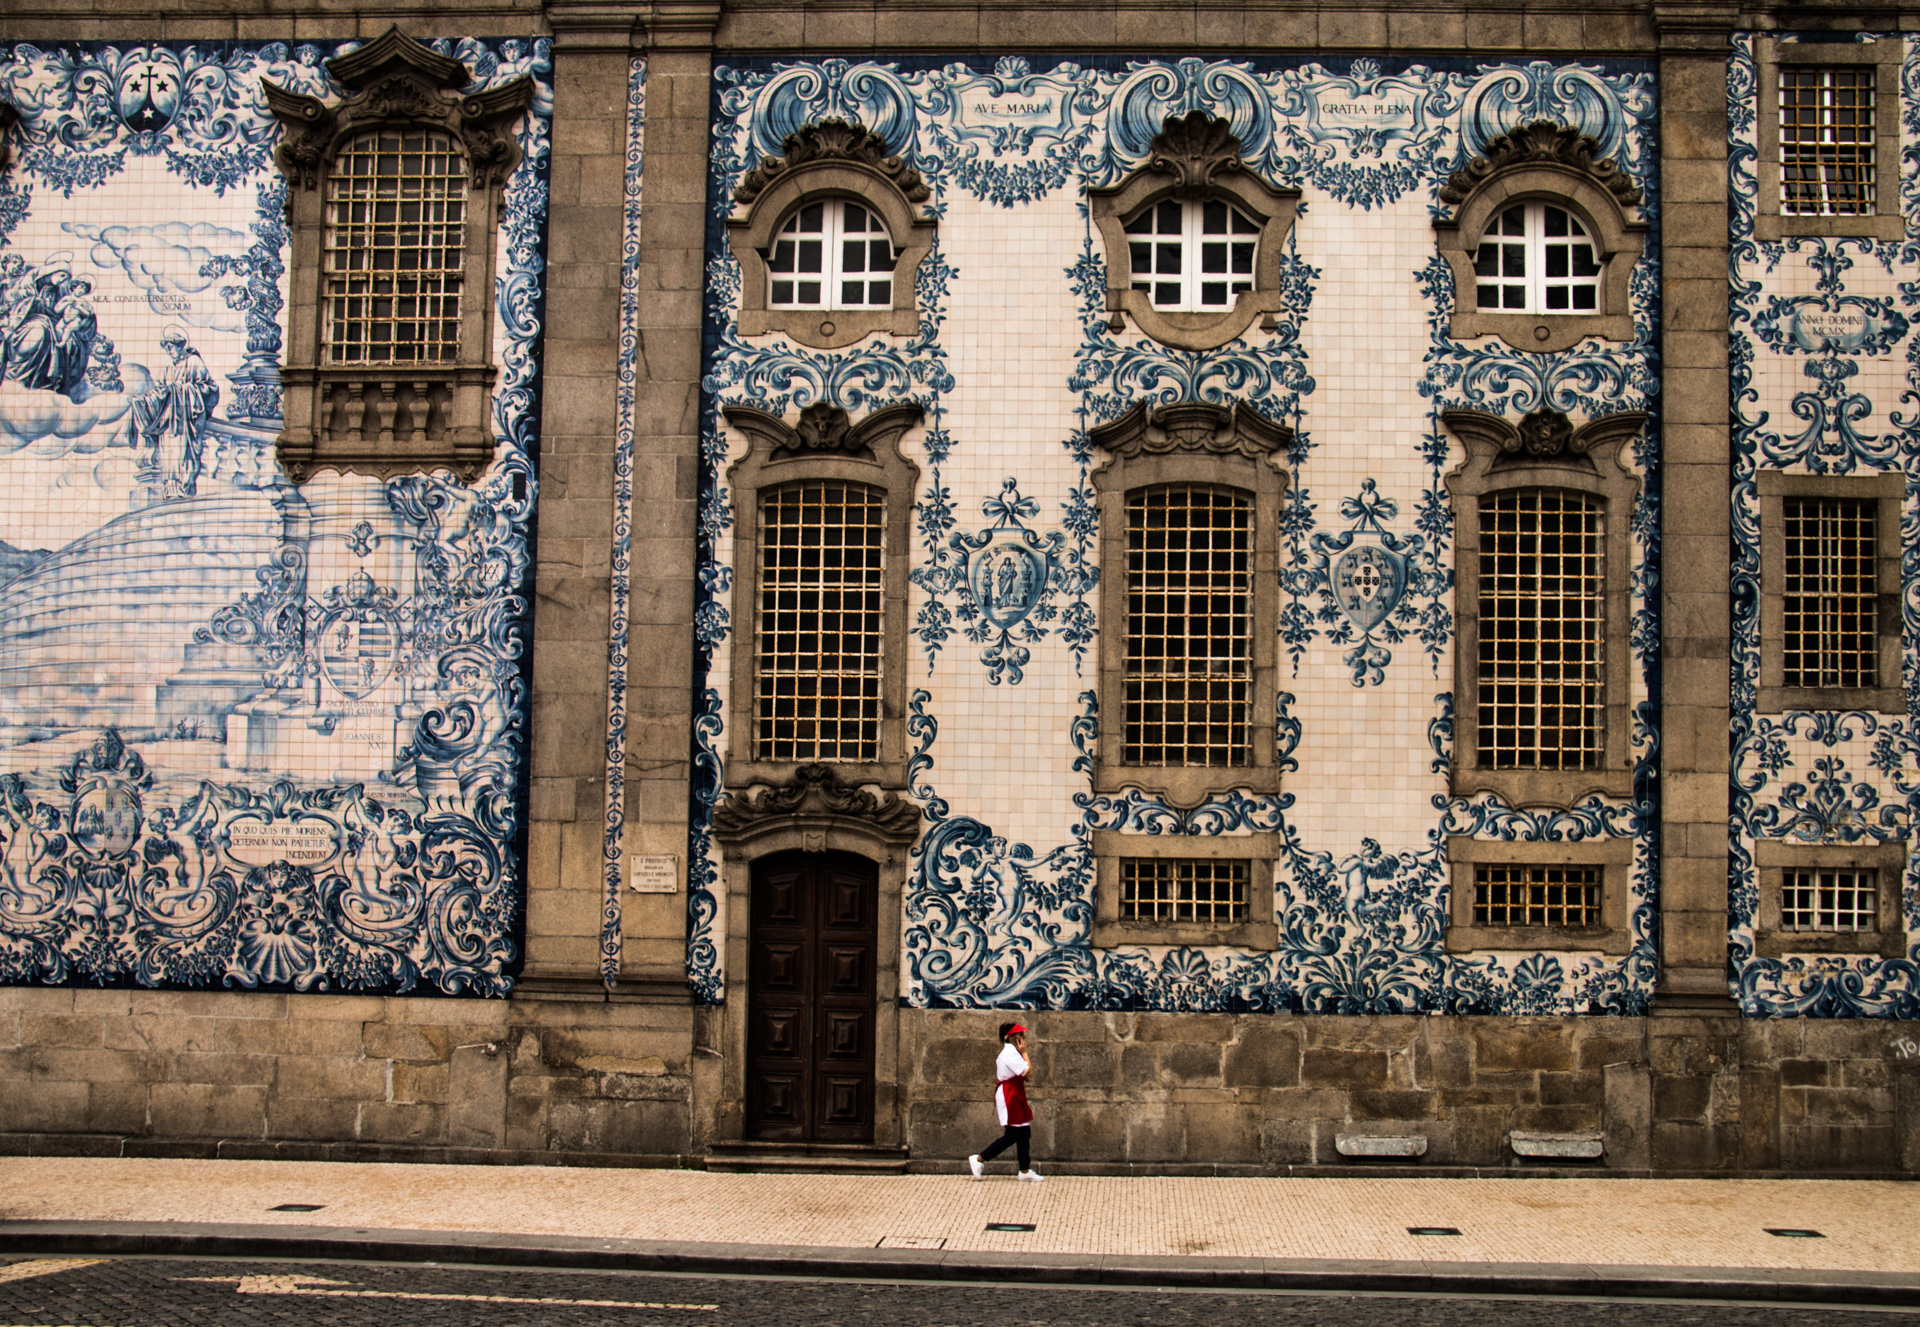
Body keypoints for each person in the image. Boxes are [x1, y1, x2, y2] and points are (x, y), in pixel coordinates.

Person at [135, 327, 220, 498]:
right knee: (169, 455)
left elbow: (208, 388)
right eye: (165, 347)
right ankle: (170, 490)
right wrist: (146, 399)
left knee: (183, 453)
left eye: (170, 346)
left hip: (186, 420)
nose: (168, 350)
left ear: (180, 345)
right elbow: (159, 390)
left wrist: (179, 390)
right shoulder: (167, 366)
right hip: (168, 420)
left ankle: (185, 488)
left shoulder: (194, 362)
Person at [968, 1022, 1043, 1181]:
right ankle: (979, 1159)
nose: (1023, 1037)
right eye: (1020, 1035)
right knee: (1013, 1134)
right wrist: (1025, 1053)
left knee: (1024, 1132)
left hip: (1016, 1092)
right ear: (1011, 1037)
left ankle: (1024, 1171)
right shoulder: (1010, 1053)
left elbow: (1027, 1076)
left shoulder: (1013, 1052)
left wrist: (1022, 1054)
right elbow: (1027, 1072)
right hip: (1010, 1094)